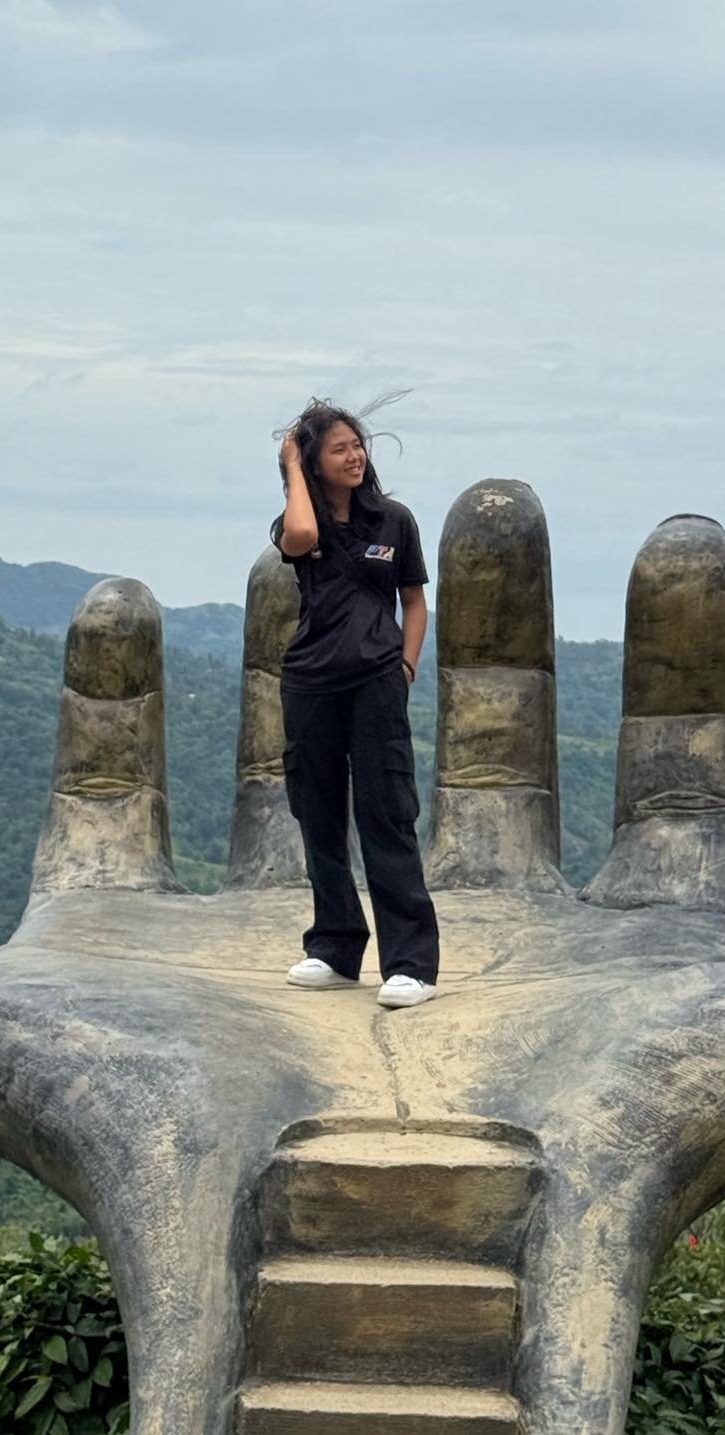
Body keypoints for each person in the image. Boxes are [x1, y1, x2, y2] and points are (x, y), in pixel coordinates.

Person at [269, 398, 440, 1008]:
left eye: (357, 446)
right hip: (310, 683)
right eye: (338, 448)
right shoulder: (298, 520)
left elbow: (414, 602)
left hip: (375, 683)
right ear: (314, 462)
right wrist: (291, 461)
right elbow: (303, 536)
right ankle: (335, 949)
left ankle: (411, 964)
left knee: (386, 813)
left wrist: (406, 664)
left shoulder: (393, 521)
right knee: (317, 814)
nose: (355, 455)